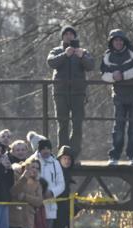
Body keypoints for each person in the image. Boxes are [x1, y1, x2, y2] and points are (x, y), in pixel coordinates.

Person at [47, 25, 95, 158]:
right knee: (62, 123)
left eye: (71, 34)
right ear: (62, 37)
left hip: (78, 93)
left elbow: (91, 66)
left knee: (77, 124)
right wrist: (65, 54)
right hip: (60, 92)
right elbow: (51, 62)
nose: (69, 36)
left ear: (75, 37)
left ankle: (74, 155)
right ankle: (63, 154)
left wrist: (82, 57)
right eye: (66, 34)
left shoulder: (82, 51)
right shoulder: (56, 51)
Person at [101, 29, 133, 166]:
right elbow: (103, 74)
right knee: (118, 128)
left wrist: (123, 76)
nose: (118, 42)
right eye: (115, 40)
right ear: (111, 42)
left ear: (124, 41)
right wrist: (113, 77)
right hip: (119, 96)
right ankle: (114, 156)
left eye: (120, 40)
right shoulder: (107, 55)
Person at [27, 132, 64, 228]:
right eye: (44, 149)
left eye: (48, 148)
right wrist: (39, 194)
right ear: (39, 149)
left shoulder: (55, 163)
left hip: (50, 204)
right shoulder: (33, 162)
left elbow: (61, 183)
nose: (46, 151)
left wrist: (52, 192)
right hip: (36, 205)